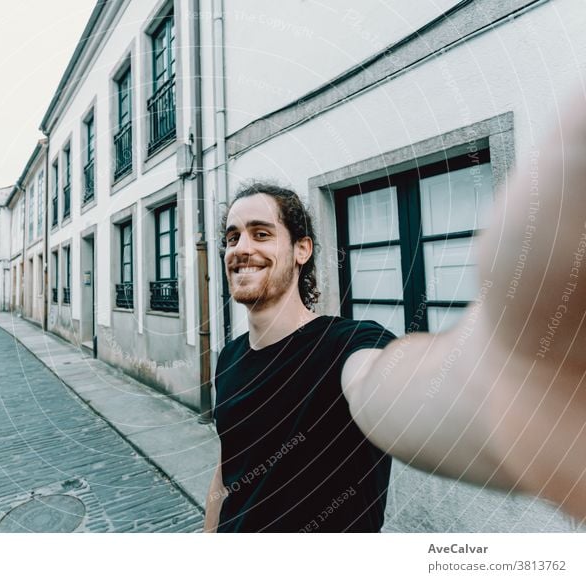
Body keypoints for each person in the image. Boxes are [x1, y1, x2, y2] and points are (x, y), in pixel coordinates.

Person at [204, 96, 586, 532]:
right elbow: (227, 466)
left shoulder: (347, 347)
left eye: (261, 234)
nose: (241, 249)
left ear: (301, 250)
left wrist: (520, 389)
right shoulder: (229, 359)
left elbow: (386, 388)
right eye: (232, 238)